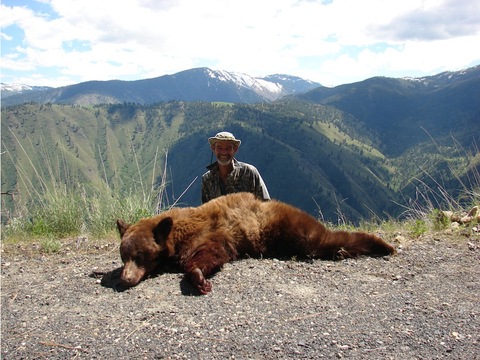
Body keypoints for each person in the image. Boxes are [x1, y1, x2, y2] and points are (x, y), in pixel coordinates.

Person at [201, 131, 270, 204]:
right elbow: (205, 211)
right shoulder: (207, 179)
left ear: (235, 150)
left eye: (228, 148)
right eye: (219, 148)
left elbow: (266, 204)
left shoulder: (249, 172)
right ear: (213, 149)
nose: (224, 152)